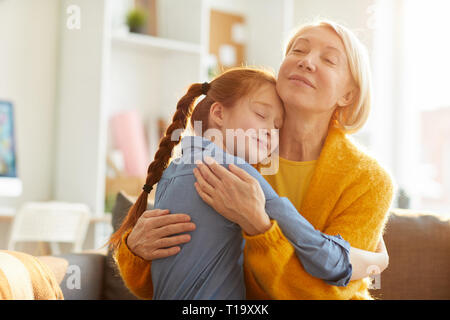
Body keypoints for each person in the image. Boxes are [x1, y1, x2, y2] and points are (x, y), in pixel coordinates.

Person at [112, 19, 393, 300]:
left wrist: (260, 229)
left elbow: (326, 294)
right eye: (297, 51)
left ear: (348, 95)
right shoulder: (238, 148)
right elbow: (173, 280)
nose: (307, 61)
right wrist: (136, 250)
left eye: (329, 59)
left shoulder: (369, 180)